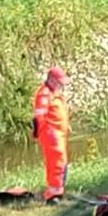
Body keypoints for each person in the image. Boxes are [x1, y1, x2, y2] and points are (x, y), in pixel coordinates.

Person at [32, 67, 71, 204]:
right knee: (56, 162)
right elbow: (38, 118)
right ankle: (54, 194)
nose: (61, 85)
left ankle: (58, 189)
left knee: (61, 162)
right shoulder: (44, 94)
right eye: (59, 82)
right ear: (52, 80)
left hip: (58, 132)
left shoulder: (54, 92)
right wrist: (44, 134)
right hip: (51, 134)